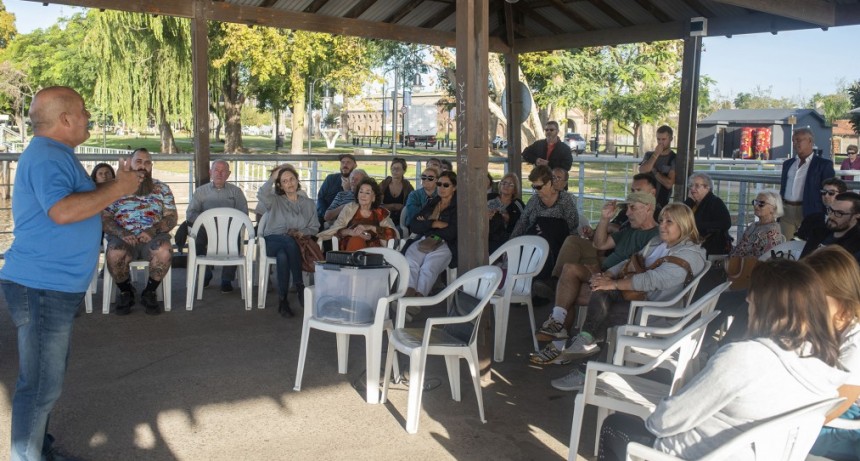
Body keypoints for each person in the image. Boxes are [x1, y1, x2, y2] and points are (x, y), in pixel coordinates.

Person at [0, 86, 140, 461]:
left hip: (49, 286)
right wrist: (117, 189)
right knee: (41, 385)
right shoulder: (47, 155)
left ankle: (35, 449)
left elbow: (68, 200)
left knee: (45, 380)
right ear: (65, 119)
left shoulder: (55, 153)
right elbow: (61, 211)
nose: (88, 116)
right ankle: (26, 456)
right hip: (41, 286)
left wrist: (113, 185)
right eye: (82, 111)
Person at [596, 259, 851, 461]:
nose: (748, 299)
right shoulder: (827, 366)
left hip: (695, 454)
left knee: (617, 425)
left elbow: (664, 422)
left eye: (753, 293)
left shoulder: (746, 357)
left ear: (766, 303)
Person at [537, 204, 706, 375]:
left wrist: (613, 284)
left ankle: (585, 366)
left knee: (602, 313)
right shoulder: (658, 242)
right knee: (599, 290)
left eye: (669, 222)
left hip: (657, 309)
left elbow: (651, 280)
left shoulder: (689, 255)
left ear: (684, 225)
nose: (662, 225)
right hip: (636, 297)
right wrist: (608, 275)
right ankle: (583, 345)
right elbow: (631, 261)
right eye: (662, 220)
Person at [536, 192, 660, 345]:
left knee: (566, 291)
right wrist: (604, 219)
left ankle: (558, 342)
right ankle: (558, 324)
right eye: (627, 208)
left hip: (618, 283)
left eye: (632, 208)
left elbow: (642, 268)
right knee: (569, 270)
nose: (627, 213)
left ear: (648, 208)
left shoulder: (657, 236)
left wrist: (606, 274)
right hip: (602, 272)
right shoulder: (629, 231)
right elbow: (599, 244)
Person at [102, 148, 177, 316]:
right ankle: (125, 291)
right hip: (123, 237)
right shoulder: (115, 189)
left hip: (153, 237)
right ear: (130, 163)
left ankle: (149, 292)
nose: (143, 166)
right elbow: (105, 218)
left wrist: (153, 230)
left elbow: (172, 217)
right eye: (139, 162)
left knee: (164, 250)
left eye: (147, 162)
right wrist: (121, 233)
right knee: (114, 254)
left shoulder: (162, 189)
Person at [804, 246, 860, 460]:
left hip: (844, 428)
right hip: (818, 410)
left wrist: (791, 423)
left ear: (843, 302)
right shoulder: (827, 326)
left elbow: (842, 402)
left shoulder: (856, 340)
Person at [258, 165, 319, 317]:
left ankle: (283, 301)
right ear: (280, 185)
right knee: (287, 241)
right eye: (284, 181)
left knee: (283, 256)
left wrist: (301, 232)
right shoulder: (274, 201)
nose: (289, 183)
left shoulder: (309, 204)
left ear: (297, 180)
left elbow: (314, 227)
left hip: (295, 244)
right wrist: (273, 177)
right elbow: (262, 194)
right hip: (272, 241)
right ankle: (300, 285)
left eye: (291, 179)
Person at [185, 159, 249, 292]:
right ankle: (205, 274)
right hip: (205, 228)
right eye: (216, 170)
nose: (219, 174)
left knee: (235, 237)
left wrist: (227, 224)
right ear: (210, 172)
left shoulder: (236, 192)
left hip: (229, 230)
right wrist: (208, 221)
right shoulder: (201, 191)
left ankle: (227, 279)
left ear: (229, 174)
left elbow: (244, 214)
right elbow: (191, 214)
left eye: (223, 171)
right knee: (196, 240)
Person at [511, 165, 579, 281]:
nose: (535, 190)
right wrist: (511, 242)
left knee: (550, 228)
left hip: (556, 245)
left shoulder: (565, 200)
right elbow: (522, 222)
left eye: (538, 187)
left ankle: (544, 282)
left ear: (548, 183)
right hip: (534, 242)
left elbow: (573, 225)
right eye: (533, 186)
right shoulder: (534, 200)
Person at [403, 170, 458, 297]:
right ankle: (408, 294)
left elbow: (451, 232)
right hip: (426, 239)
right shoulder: (433, 202)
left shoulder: (458, 206)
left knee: (429, 267)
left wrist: (426, 224)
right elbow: (414, 225)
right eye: (439, 184)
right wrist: (434, 223)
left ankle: (418, 298)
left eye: (446, 185)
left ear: (454, 187)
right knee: (411, 261)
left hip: (446, 243)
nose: (441, 188)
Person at [780, 127, 836, 239]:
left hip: (809, 211)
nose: (795, 143)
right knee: (786, 246)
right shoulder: (788, 164)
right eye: (793, 140)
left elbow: (829, 190)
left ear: (810, 141)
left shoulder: (823, 165)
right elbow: (783, 187)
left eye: (798, 140)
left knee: (805, 246)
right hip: (786, 211)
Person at [317, 177, 397, 251]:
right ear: (357, 195)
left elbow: (392, 233)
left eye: (367, 193)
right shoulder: (349, 208)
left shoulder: (380, 212)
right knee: (356, 240)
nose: (363, 195)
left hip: (374, 250)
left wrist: (369, 227)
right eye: (361, 191)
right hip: (351, 245)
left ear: (373, 197)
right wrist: (351, 232)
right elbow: (337, 230)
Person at [801, 192, 860, 261]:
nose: (831, 216)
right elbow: (802, 260)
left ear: (856, 216)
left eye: (839, 213)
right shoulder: (818, 231)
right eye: (831, 210)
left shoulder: (856, 246)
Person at [683, 172, 732, 257]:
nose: (692, 189)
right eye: (691, 186)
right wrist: (689, 201)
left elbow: (726, 223)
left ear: (707, 188)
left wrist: (695, 225)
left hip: (710, 247)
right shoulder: (692, 202)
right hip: (692, 245)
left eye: (697, 186)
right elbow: (679, 217)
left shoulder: (715, 202)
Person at [729, 190, 784, 257]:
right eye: (755, 202)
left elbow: (765, 260)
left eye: (761, 203)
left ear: (773, 208)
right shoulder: (753, 225)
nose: (756, 206)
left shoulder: (772, 232)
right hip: (734, 262)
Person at [797, 178, 847, 242]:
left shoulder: (847, 221)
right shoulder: (812, 218)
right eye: (823, 192)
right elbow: (799, 239)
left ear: (842, 195)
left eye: (831, 193)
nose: (826, 196)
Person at [638, 125, 676, 207]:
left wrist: (654, 171)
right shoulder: (649, 155)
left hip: (661, 203)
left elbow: (669, 184)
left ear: (671, 139)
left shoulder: (673, 158)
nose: (660, 142)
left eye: (663, 139)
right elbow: (643, 170)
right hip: (644, 200)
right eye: (658, 139)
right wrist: (656, 154)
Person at [487, 172, 525, 253]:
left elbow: (523, 223)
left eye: (510, 185)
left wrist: (509, 219)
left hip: (507, 241)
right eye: (504, 183)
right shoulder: (489, 197)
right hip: (486, 237)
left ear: (515, 189)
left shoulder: (517, 204)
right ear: (500, 185)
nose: (506, 186)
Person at [316, 153, 357, 225]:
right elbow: (320, 198)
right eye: (343, 162)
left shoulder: (357, 181)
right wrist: (325, 215)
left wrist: (348, 190)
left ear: (355, 165)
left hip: (348, 220)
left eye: (348, 162)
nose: (345, 165)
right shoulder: (331, 178)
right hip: (325, 217)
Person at [379, 157, 413, 225]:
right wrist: (393, 206)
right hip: (383, 218)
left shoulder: (408, 187)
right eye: (393, 168)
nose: (395, 171)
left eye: (398, 169)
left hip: (401, 220)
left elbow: (411, 206)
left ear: (404, 171)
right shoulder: (383, 185)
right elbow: (376, 204)